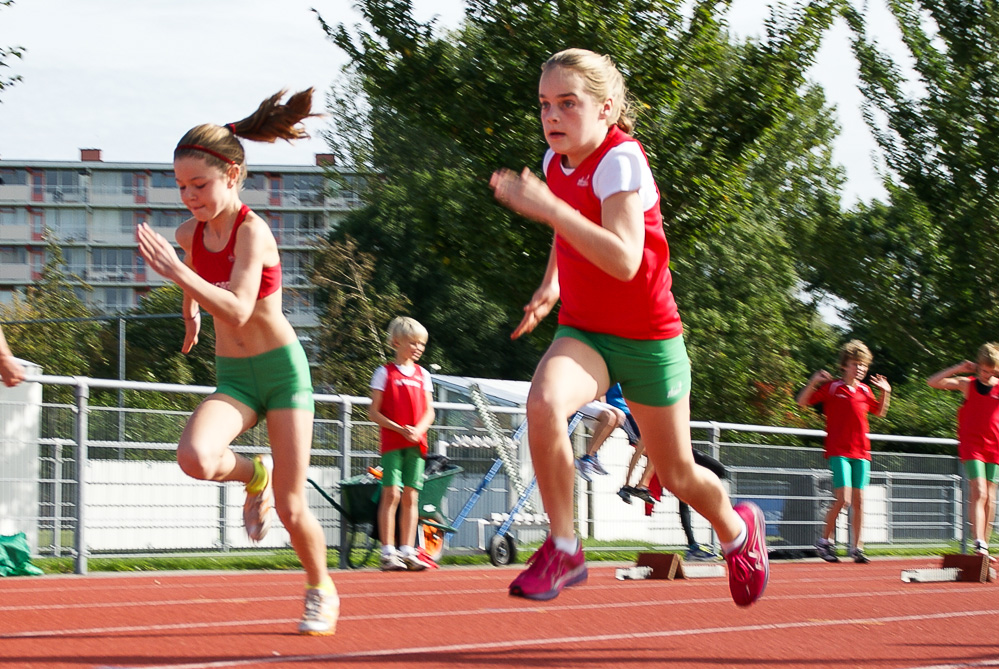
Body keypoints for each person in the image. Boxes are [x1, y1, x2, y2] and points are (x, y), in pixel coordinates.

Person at [489, 48, 768, 606]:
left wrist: (548, 211)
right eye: (545, 104)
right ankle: (564, 547)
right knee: (543, 403)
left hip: (649, 338)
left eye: (568, 103)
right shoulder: (554, 164)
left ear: (607, 108)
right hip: (586, 331)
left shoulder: (622, 160)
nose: (553, 116)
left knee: (679, 473)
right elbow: (566, 227)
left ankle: (738, 532)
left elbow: (622, 258)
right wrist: (553, 283)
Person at [135, 89, 337, 636]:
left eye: (199, 185)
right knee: (196, 456)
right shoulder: (190, 235)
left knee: (294, 510)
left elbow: (242, 306)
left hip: (281, 373)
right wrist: (190, 315)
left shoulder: (254, 232)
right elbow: (196, 271)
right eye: (181, 187)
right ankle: (256, 474)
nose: (189, 197)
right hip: (235, 378)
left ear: (233, 174)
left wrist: (183, 279)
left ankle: (320, 587)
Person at [796, 340, 891, 564]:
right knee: (844, 499)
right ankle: (824, 542)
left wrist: (886, 393)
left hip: (862, 452)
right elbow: (802, 402)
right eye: (856, 364)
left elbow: (880, 413)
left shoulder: (866, 390)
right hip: (839, 451)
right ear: (845, 365)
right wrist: (813, 382)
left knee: (859, 501)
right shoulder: (832, 388)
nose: (860, 368)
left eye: (863, 365)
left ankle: (857, 548)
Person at [368, 316, 436, 571]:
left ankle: (408, 550)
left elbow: (429, 411)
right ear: (396, 342)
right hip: (392, 443)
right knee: (392, 493)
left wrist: (418, 431)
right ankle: (388, 551)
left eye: (422, 344)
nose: (418, 348)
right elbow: (373, 412)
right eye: (413, 342)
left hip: (417, 445)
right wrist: (400, 429)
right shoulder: (384, 373)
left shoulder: (424, 375)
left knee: (411, 495)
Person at [927, 344, 999, 558]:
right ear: (978, 368)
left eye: (991, 371)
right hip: (973, 445)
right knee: (979, 491)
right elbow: (933, 382)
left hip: (994, 446)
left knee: (991, 497)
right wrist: (958, 368)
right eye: (983, 371)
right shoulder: (967, 384)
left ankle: (984, 542)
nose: (987, 375)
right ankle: (978, 542)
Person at [574, 395, 628, 480]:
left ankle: (592, 455)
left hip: (592, 402)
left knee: (620, 415)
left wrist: (602, 405)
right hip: (576, 401)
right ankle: (586, 458)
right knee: (608, 416)